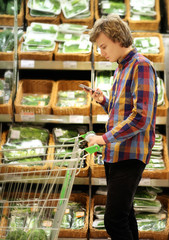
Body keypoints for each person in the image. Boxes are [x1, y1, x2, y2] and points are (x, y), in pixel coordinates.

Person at [87, 14, 158, 240]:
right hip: (116, 153)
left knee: (113, 220)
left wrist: (103, 138)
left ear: (119, 39)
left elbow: (141, 118)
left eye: (104, 46)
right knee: (125, 215)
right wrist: (104, 101)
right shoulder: (121, 68)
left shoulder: (142, 66)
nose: (101, 52)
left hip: (130, 153)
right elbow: (123, 113)